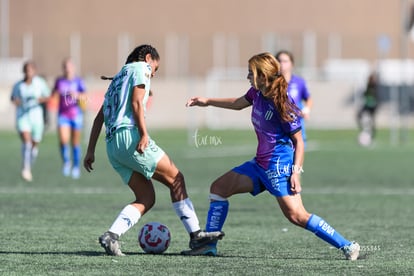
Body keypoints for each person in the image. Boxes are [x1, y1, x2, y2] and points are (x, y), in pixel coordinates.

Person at [183, 52, 360, 260]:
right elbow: (238, 103)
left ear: (263, 77)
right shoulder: (256, 93)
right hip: (259, 165)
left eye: (251, 73)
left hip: (278, 168)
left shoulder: (283, 103)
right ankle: (208, 245)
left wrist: (295, 173)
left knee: (297, 216)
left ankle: (347, 246)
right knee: (219, 188)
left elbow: (299, 142)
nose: (248, 77)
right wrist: (207, 101)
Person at [83, 44, 224, 256]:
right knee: (176, 179)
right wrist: (144, 134)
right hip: (130, 136)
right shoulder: (141, 67)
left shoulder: (118, 78)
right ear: (148, 58)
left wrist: (90, 151)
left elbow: (98, 118)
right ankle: (196, 237)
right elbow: (137, 103)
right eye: (155, 69)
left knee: (146, 197)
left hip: (113, 146)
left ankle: (111, 236)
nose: (153, 74)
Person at [10, 61, 50, 182]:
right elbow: (13, 97)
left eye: (31, 70)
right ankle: (26, 168)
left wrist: (40, 99)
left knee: (34, 144)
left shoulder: (40, 83)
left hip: (36, 118)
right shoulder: (18, 85)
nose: (29, 73)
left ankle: (29, 165)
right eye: (26, 70)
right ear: (24, 71)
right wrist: (17, 101)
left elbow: (48, 96)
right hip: (23, 117)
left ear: (34, 71)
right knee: (27, 142)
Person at [52, 58, 87, 179]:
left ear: (73, 68)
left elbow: (85, 97)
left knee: (75, 142)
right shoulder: (59, 81)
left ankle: (76, 166)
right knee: (63, 140)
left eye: (70, 66)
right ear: (63, 68)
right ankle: (67, 162)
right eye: (65, 66)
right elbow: (54, 94)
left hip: (76, 114)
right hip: (63, 115)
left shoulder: (79, 81)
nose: (68, 69)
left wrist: (77, 95)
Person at [275, 50, 312, 146]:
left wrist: (306, 110)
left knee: (297, 157)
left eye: (285, 61)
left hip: (295, 126)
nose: (282, 64)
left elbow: (308, 98)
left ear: (292, 64)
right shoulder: (272, 83)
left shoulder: (299, 82)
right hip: (277, 128)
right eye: (279, 61)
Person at [356, 72, 378, 145]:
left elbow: (376, 96)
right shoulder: (368, 85)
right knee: (360, 116)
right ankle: (364, 132)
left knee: (371, 122)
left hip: (372, 107)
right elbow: (365, 94)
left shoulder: (374, 86)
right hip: (367, 105)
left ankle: (371, 137)